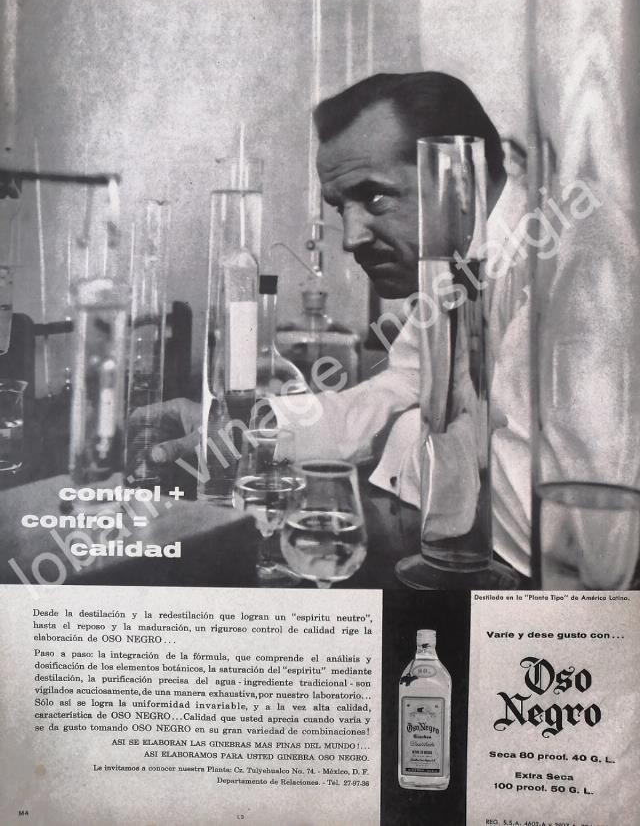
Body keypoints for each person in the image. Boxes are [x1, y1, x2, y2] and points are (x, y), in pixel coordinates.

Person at [143, 72, 638, 588]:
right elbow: (395, 388)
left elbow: (580, 539)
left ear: (456, 175)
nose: (351, 238)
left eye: (375, 198)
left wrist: (403, 435)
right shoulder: (455, 261)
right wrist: (250, 432)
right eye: (341, 207)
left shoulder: (582, 255)